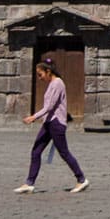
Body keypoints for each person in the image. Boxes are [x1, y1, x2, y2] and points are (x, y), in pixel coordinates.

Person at [16, 58, 88, 193]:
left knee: (64, 152)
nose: (39, 77)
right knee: (36, 151)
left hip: (56, 123)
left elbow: (49, 106)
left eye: (40, 74)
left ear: (48, 71)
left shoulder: (57, 83)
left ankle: (81, 179)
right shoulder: (51, 84)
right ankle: (29, 183)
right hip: (48, 123)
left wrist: (33, 117)